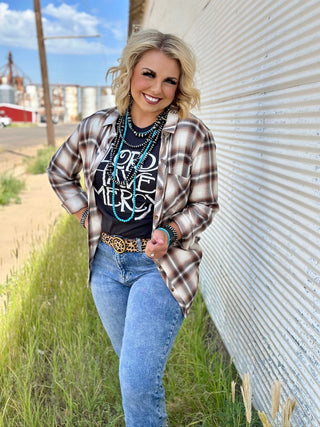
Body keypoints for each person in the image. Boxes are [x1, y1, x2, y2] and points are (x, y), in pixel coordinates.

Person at [47, 28, 219, 427]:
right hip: (105, 266)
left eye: (169, 80)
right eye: (148, 74)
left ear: (180, 87)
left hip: (158, 269)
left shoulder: (192, 135)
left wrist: (170, 233)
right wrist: (85, 217)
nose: (156, 88)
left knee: (138, 378)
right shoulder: (98, 126)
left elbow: (205, 204)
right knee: (133, 371)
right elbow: (59, 171)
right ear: (129, 73)